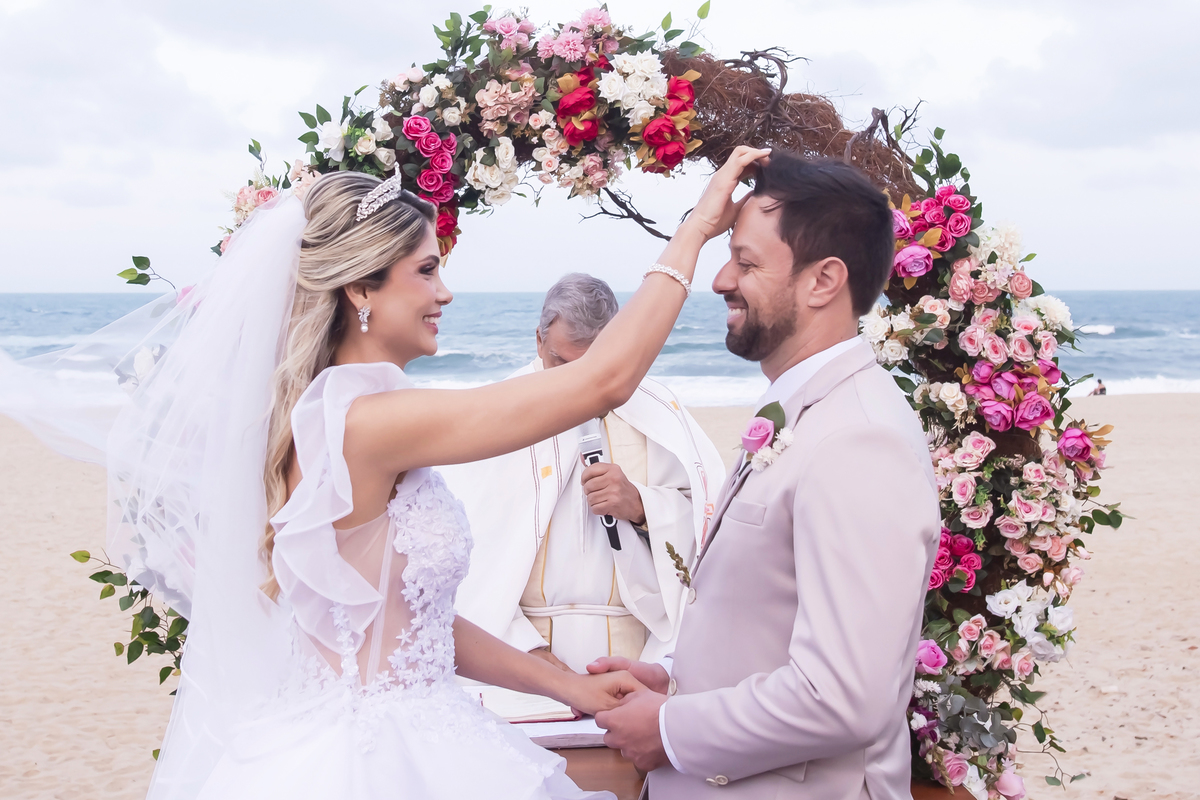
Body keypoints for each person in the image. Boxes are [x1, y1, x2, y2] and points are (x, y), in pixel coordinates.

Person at [0, 145, 771, 799]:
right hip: (371, 761)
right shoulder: (365, 423)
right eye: (426, 271)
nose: (446, 293)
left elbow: (410, 623)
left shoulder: (344, 413)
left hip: (407, 724)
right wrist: (696, 228)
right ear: (361, 288)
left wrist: (567, 686)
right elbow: (601, 381)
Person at [590, 152, 941, 799]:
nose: (721, 279)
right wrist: (680, 684)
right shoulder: (803, 408)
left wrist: (670, 729)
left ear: (823, 281)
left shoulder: (859, 441)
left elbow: (841, 696)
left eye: (746, 263)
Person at [446, 274, 726, 675]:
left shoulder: (658, 410)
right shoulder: (499, 412)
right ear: (539, 341)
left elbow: (707, 527)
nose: (576, 383)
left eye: (593, 365)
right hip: (521, 652)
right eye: (561, 362)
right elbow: (472, 546)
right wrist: (524, 650)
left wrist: (641, 506)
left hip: (635, 652)